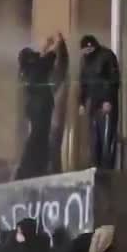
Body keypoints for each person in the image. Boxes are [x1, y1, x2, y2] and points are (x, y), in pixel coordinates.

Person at [15, 37, 60, 180]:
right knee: (39, 137)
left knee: (37, 135)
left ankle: (34, 167)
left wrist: (46, 45)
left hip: (32, 108)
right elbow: (50, 57)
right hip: (41, 108)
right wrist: (57, 43)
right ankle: (34, 167)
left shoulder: (25, 71)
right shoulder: (37, 68)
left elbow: (40, 57)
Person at [78, 35, 121, 170]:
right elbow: (83, 82)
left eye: (86, 49)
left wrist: (108, 100)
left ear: (91, 47)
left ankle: (107, 173)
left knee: (107, 141)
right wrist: (82, 102)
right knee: (95, 141)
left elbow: (114, 80)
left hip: (106, 105)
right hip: (94, 105)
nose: (84, 53)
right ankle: (96, 171)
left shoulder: (107, 56)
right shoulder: (85, 60)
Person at [47, 34, 71, 174]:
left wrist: (58, 44)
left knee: (54, 145)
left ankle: (54, 171)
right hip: (53, 120)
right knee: (53, 146)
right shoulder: (56, 74)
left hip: (53, 121)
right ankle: (54, 170)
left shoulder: (58, 75)